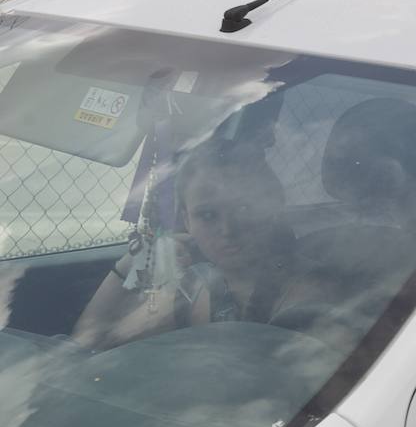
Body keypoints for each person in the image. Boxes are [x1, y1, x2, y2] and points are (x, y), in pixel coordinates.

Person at [74, 144, 314, 350]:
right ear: (187, 222)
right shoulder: (193, 292)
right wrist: (135, 259)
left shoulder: (305, 297)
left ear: (271, 208)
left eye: (243, 209)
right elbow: (90, 343)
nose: (228, 229)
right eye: (207, 215)